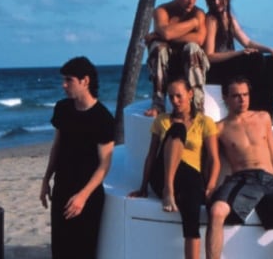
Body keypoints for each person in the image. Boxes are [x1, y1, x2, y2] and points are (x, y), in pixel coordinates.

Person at [205, 76, 273, 259]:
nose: (242, 99)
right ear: (226, 98)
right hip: (242, 178)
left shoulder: (263, 117)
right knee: (216, 211)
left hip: (269, 179)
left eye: (245, 94)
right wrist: (211, 186)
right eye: (236, 96)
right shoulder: (219, 128)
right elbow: (214, 161)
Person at [129, 77, 220, 259]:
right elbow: (152, 155)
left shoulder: (204, 122)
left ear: (190, 94)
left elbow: (214, 159)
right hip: (162, 176)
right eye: (171, 97)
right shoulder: (162, 121)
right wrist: (143, 187)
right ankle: (168, 190)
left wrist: (210, 187)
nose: (175, 101)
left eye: (179, 96)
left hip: (190, 178)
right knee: (178, 129)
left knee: (192, 215)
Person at [39, 56, 115, 259]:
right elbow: (57, 146)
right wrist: (46, 179)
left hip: (87, 196)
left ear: (85, 81)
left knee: (83, 252)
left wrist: (83, 196)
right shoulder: (62, 109)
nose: (64, 85)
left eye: (69, 80)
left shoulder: (103, 118)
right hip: (62, 188)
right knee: (60, 251)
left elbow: (105, 164)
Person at [203, 0, 273, 117]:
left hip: (229, 65)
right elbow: (209, 56)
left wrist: (271, 50)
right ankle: (253, 108)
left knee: (272, 62)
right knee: (254, 58)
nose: (216, 2)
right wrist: (238, 54)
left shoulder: (229, 17)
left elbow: (247, 42)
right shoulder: (211, 20)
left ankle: (265, 114)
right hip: (215, 69)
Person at [144, 0, 209, 117]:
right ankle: (158, 103)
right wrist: (193, 24)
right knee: (158, 47)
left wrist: (165, 34)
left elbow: (199, 39)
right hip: (167, 61)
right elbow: (166, 34)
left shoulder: (198, 13)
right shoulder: (162, 11)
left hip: (190, 61)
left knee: (192, 48)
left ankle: (198, 105)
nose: (191, 1)